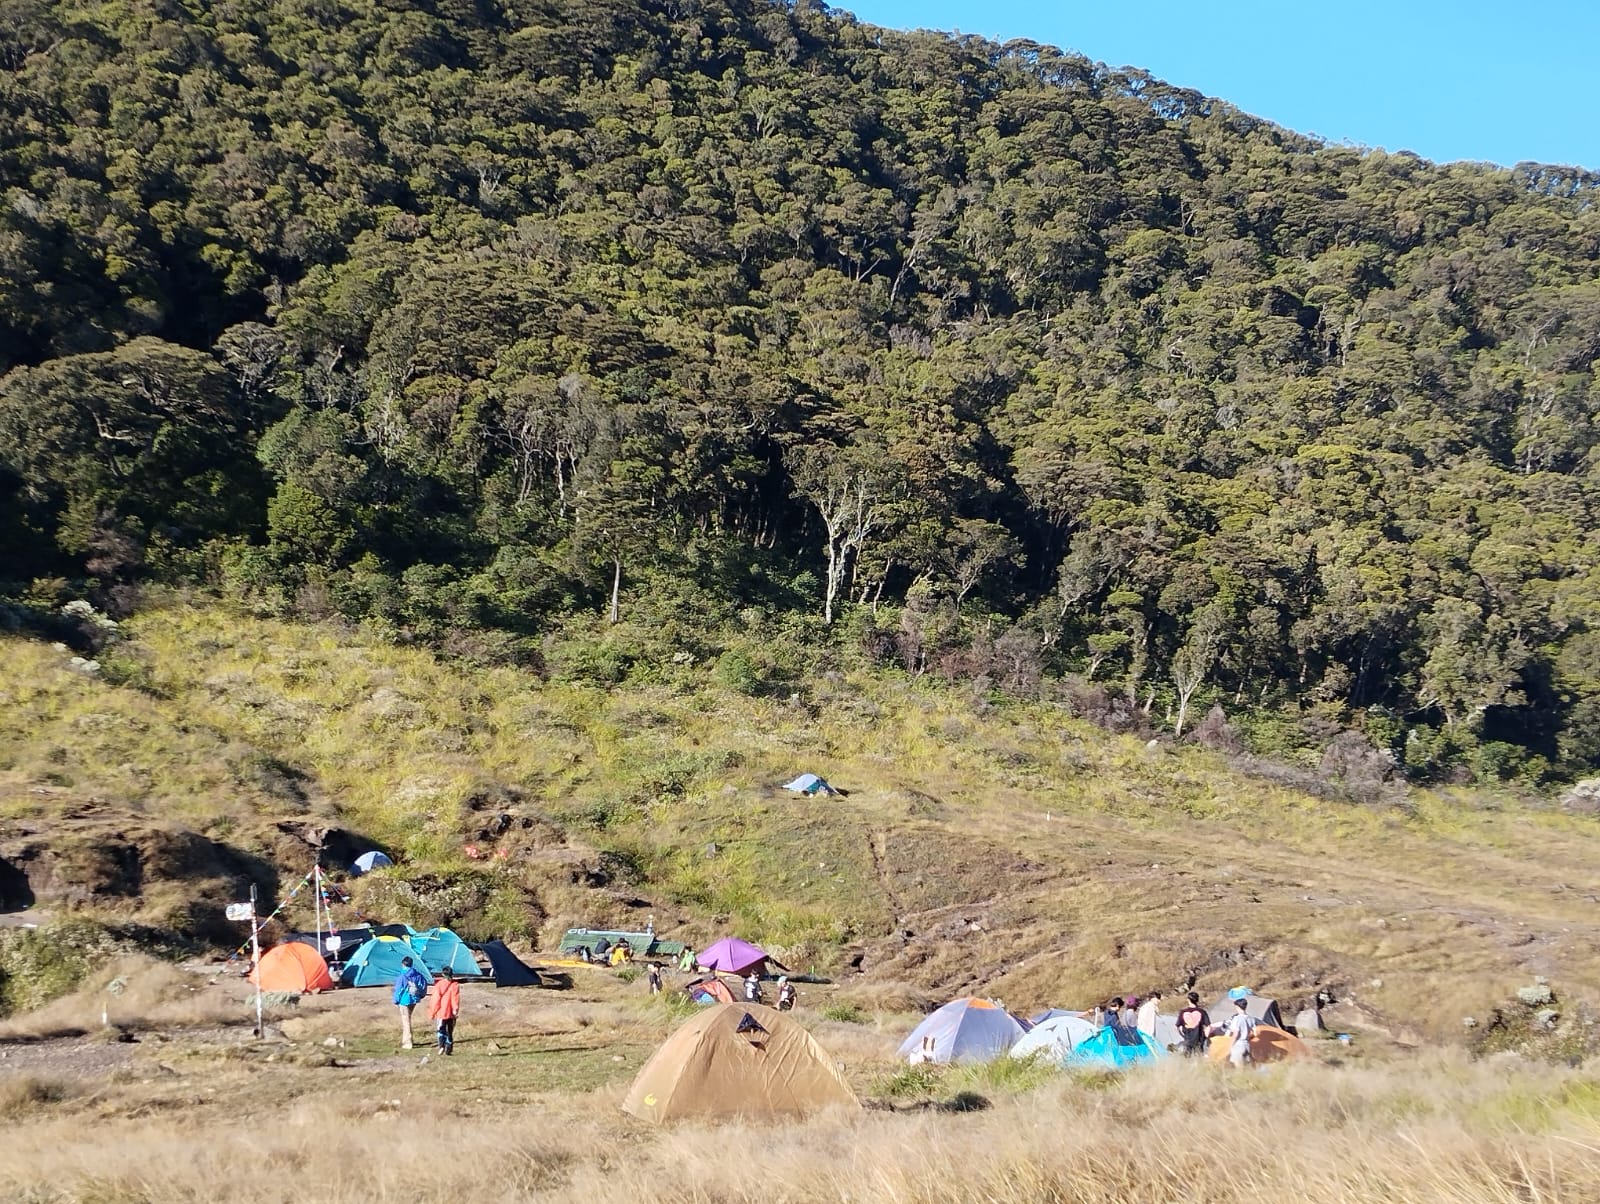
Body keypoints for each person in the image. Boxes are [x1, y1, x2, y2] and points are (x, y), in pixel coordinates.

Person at [393, 956, 429, 1050]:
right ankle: (405, 1040)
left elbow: (398, 990)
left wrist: (396, 1000)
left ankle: (408, 1043)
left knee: (406, 1021)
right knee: (407, 1019)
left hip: (404, 1001)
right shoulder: (418, 975)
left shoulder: (402, 976)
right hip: (414, 999)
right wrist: (421, 995)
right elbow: (423, 985)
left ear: (403, 964)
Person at [429, 966, 462, 1056]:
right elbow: (455, 999)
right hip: (451, 1012)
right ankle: (449, 1048)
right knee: (450, 1031)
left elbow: (435, 1000)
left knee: (441, 1029)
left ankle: (441, 1046)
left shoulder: (439, 985)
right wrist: (455, 1010)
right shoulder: (455, 985)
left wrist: (433, 1012)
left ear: (443, 974)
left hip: (441, 1012)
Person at [1222, 997, 1258, 1069]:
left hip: (1238, 1045)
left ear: (1237, 1007)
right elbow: (1255, 1033)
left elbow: (1235, 1034)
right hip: (1247, 1045)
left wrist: (1229, 1046)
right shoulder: (1251, 1018)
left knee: (1237, 1068)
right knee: (1247, 1067)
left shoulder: (1237, 1019)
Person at [1175, 991, 1211, 1057]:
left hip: (1187, 1039)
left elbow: (1177, 1027)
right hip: (1199, 1039)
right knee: (1198, 1057)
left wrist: (1183, 1035)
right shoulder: (1202, 1012)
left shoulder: (1183, 1012)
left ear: (1188, 1000)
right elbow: (1208, 1026)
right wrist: (1205, 1037)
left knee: (1187, 1057)